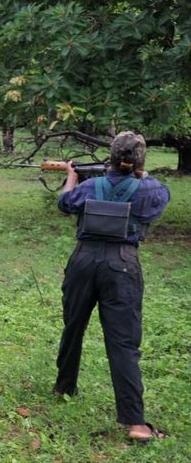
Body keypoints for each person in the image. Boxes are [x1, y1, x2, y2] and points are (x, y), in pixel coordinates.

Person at [54, 131, 170, 443]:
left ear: (111, 156)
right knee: (123, 342)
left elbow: (65, 203)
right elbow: (158, 206)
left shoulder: (90, 185)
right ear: (140, 160)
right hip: (122, 264)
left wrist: (71, 176)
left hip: (83, 261)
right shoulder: (152, 190)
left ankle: (64, 385)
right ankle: (135, 422)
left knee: (73, 326)